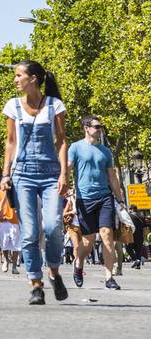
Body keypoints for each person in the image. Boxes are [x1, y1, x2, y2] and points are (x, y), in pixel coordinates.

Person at [0, 60, 69, 305]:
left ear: (34, 78)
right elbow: (10, 143)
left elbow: (61, 141)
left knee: (52, 228)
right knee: (29, 233)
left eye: (19, 75)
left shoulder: (54, 105)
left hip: (51, 173)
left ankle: (54, 272)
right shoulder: (12, 106)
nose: (15, 79)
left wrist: (64, 174)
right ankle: (36, 284)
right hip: (23, 174)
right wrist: (5, 175)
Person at [68, 115, 125, 290]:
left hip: (105, 197)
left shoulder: (106, 152)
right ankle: (78, 263)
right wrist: (59, 188)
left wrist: (120, 199)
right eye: (96, 126)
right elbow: (67, 169)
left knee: (107, 235)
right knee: (88, 240)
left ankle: (109, 277)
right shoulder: (75, 148)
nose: (99, 129)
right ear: (86, 128)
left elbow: (112, 177)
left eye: (101, 127)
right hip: (84, 199)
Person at [0, 180, 21, 274]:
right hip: (3, 221)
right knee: (4, 243)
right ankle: (5, 260)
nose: (4, 184)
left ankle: (14, 266)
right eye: (2, 183)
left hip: (15, 221)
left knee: (16, 246)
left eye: (6, 183)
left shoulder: (16, 192)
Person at [128, 205, 145, 269]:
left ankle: (135, 260)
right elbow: (144, 228)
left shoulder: (129, 216)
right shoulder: (142, 217)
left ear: (132, 209)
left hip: (132, 236)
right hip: (140, 236)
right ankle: (138, 265)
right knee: (138, 250)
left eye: (130, 208)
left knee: (128, 248)